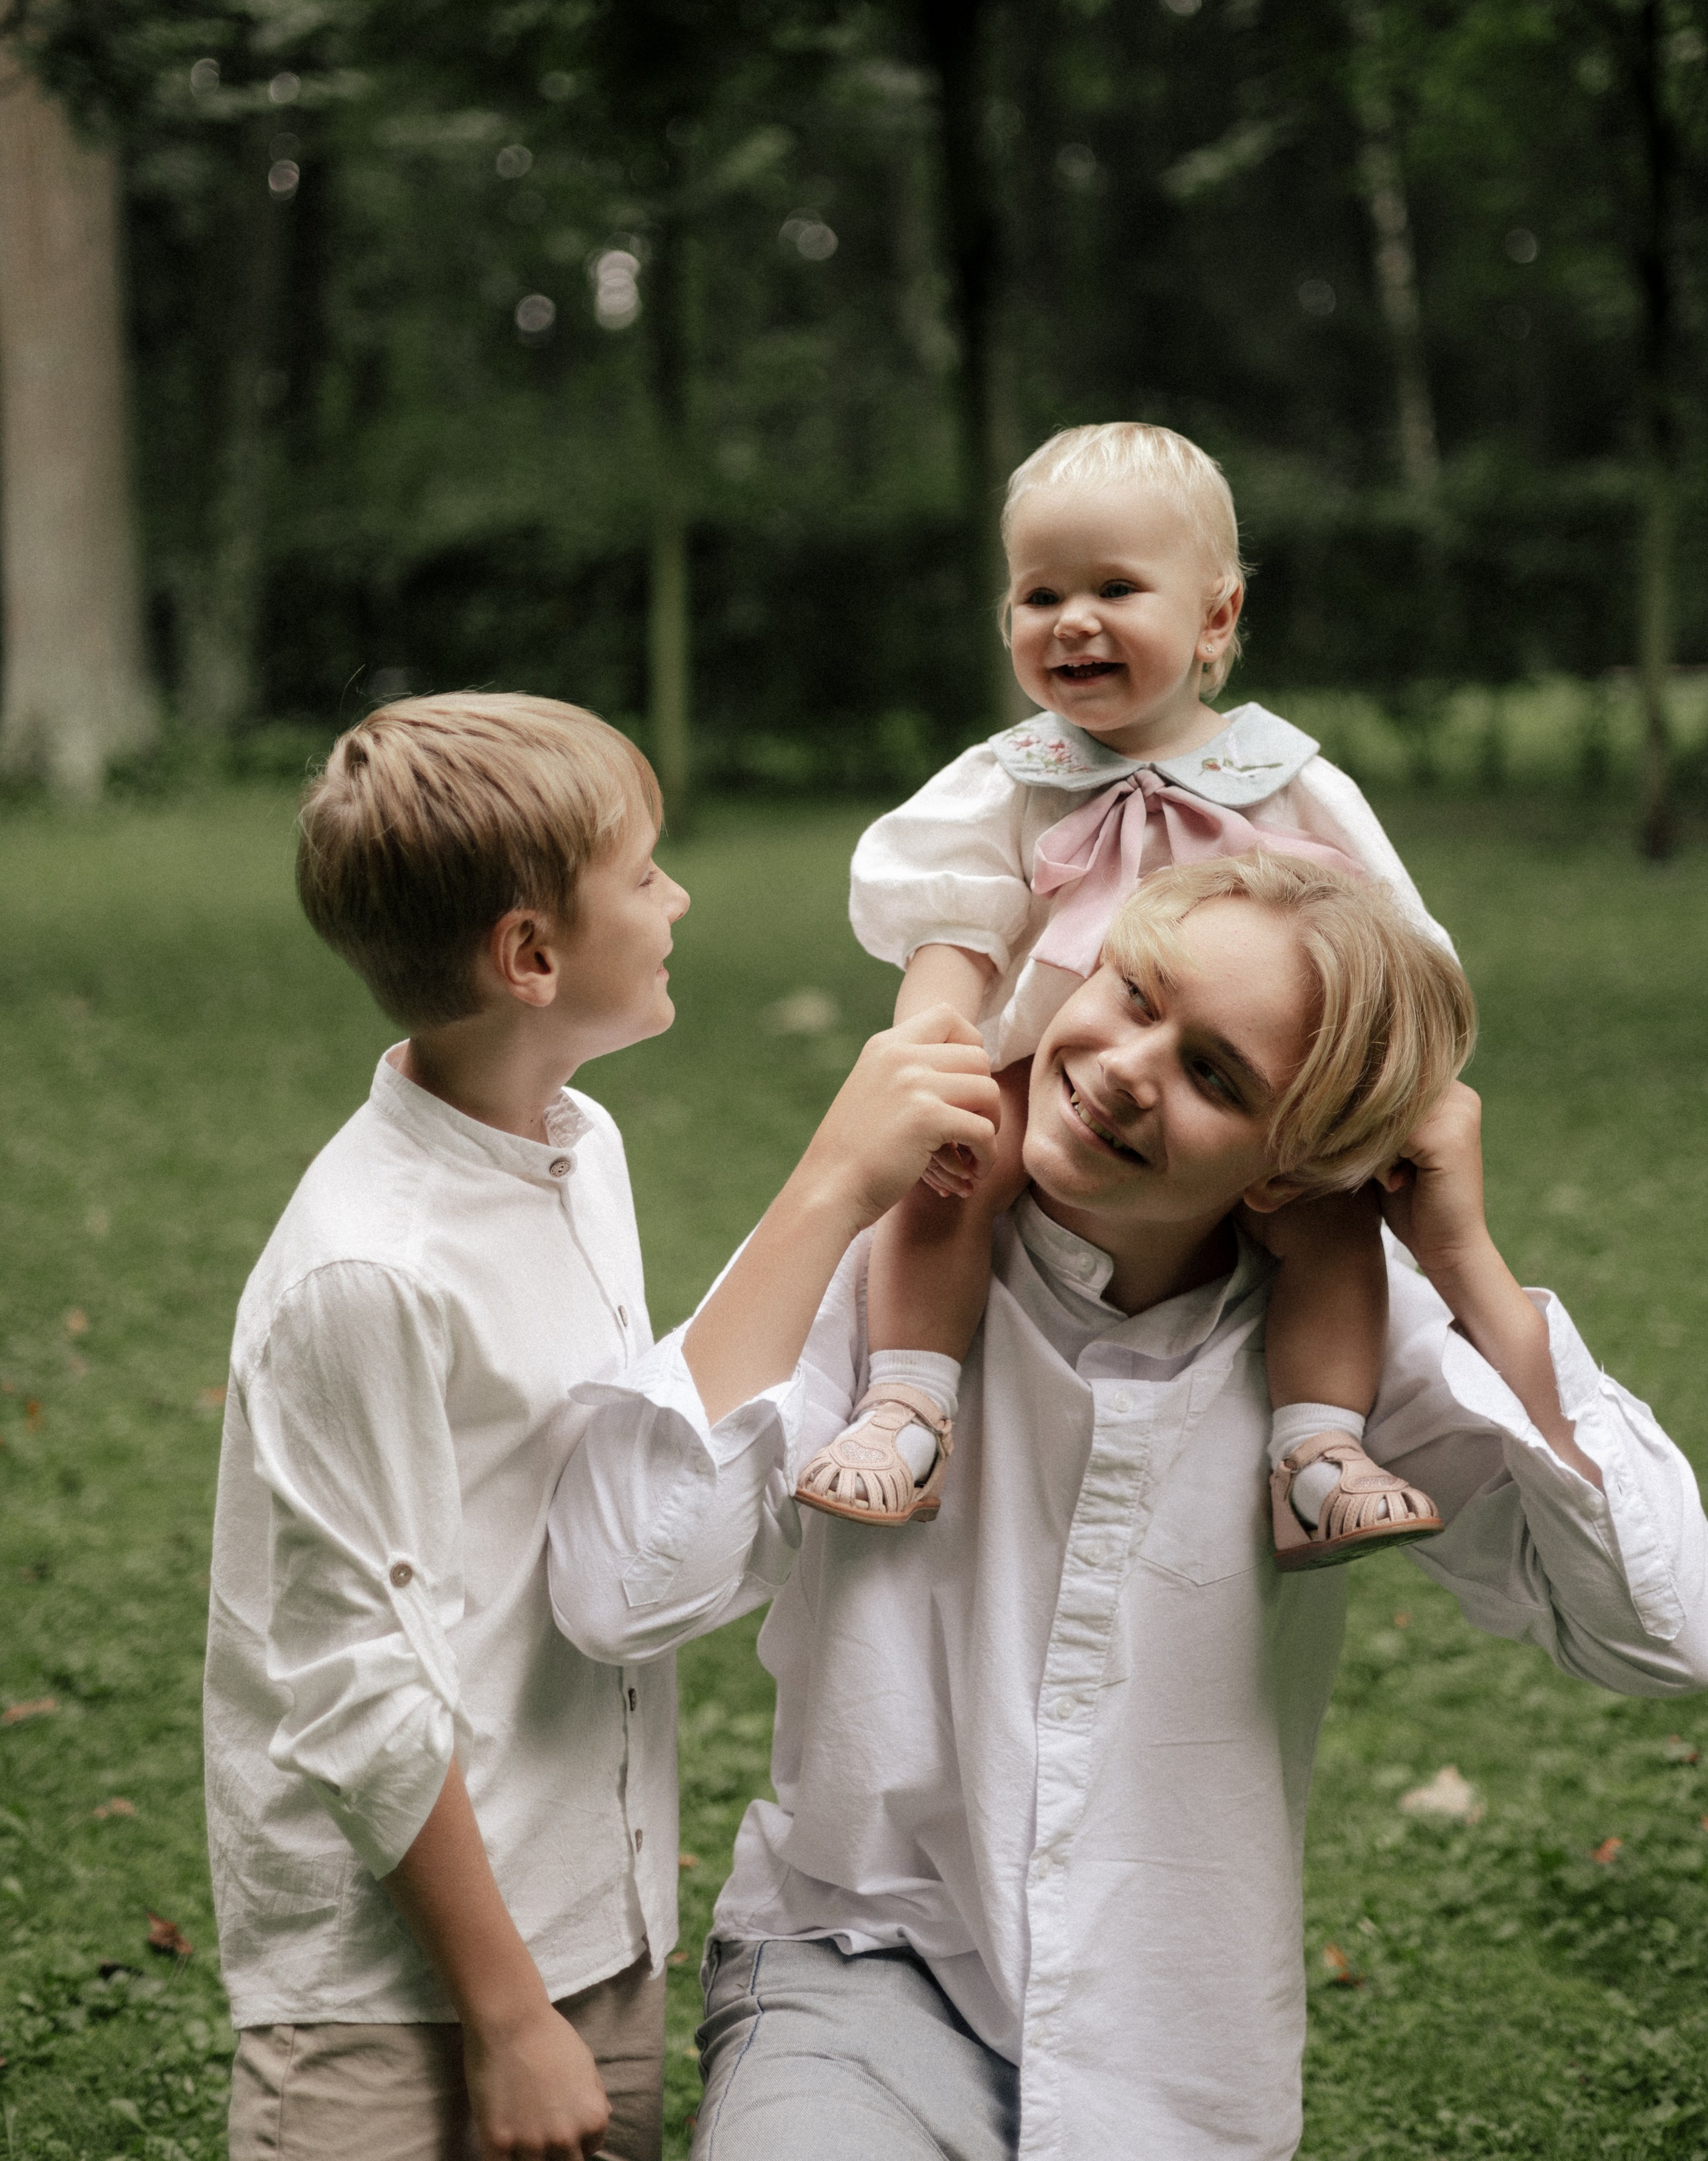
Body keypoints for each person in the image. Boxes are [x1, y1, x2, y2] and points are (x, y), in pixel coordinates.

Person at [548, 854, 1708, 2161]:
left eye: (1214, 1074)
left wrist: (1462, 1260)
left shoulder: (1346, 1342)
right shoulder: (895, 1264)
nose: (1119, 1066)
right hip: (863, 1963)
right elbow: (618, 1591)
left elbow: (1656, 1630)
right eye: (1130, 991)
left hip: (1173, 2038)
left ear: (1284, 1168)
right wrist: (827, 1185)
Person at [204, 690, 1004, 2161]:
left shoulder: (578, 1147)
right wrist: (507, 2019)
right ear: (530, 956)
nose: (679, 893)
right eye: (643, 874)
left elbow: (633, 1458)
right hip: (399, 1997)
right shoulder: (367, 1271)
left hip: (589, 1924)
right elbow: (354, 1689)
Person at [798, 420, 1453, 1565]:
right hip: (1040, 1075)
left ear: (1215, 616)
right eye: (1039, 593)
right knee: (945, 1180)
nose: (1073, 620)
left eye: (1114, 587)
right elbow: (952, 930)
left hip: (1234, 1100)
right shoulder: (1006, 782)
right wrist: (930, 1067)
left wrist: (1401, 1099)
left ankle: (1317, 1451)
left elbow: (1390, 957)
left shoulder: (1289, 786)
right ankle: (908, 1404)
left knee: (1332, 1224)